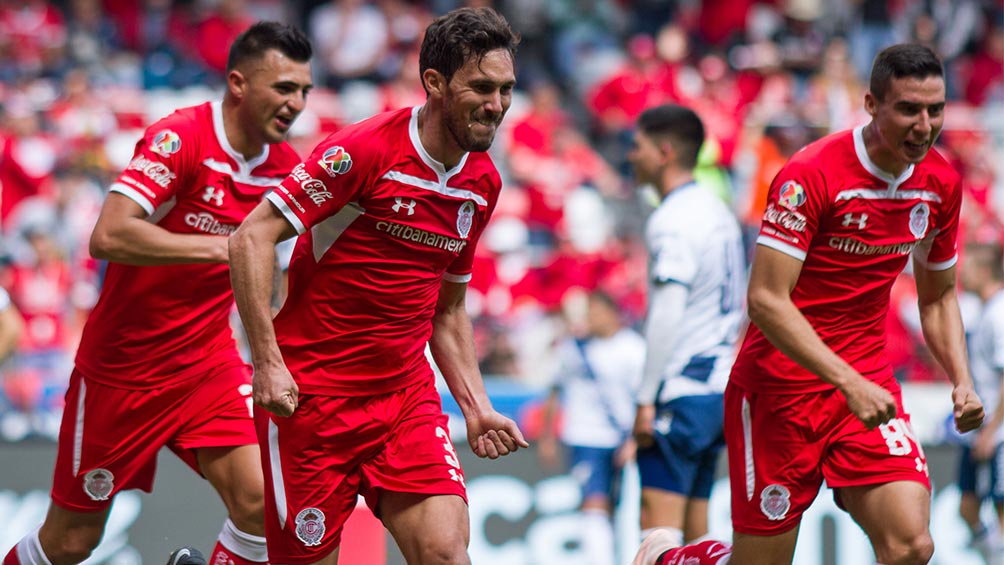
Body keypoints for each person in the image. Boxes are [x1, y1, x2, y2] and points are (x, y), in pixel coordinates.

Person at [633, 43, 986, 565]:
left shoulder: (940, 184)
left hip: (866, 387)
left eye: (935, 110)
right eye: (909, 109)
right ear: (871, 104)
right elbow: (766, 301)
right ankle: (674, 559)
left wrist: (961, 378)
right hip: (780, 390)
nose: (925, 125)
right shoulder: (812, 174)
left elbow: (938, 297)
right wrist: (848, 381)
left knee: (912, 545)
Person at [2, 21, 313, 565]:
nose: (297, 103)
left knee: (264, 502)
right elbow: (109, 234)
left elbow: (278, 271)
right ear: (239, 84)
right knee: (72, 542)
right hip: (121, 370)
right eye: (284, 88)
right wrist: (223, 249)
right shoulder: (182, 137)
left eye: (305, 91)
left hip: (207, 365)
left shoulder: (284, 168)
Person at [228, 7, 527, 565]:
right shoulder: (362, 151)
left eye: (506, 89)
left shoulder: (481, 182)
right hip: (312, 402)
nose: (497, 105)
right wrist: (266, 362)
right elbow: (250, 237)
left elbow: (448, 308)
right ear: (435, 84)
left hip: (404, 400)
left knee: (445, 554)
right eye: (482, 88)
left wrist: (476, 406)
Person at [627, 103, 746, 550]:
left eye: (636, 147)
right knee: (700, 541)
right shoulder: (718, 212)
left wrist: (644, 399)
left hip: (682, 388)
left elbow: (667, 313)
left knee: (657, 539)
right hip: (718, 390)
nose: (630, 156)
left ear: (663, 152)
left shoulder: (673, 220)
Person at [538, 290, 645, 565]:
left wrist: (635, 439)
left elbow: (646, 399)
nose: (590, 318)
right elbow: (554, 390)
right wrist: (547, 436)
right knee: (593, 505)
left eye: (595, 312)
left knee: (628, 509)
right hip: (585, 436)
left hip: (625, 439)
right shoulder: (572, 348)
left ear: (613, 313)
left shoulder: (633, 349)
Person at [957, 239, 1004, 564]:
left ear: (985, 271)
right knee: (967, 507)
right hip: (982, 429)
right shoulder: (985, 312)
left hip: (998, 433)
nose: (961, 273)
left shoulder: (999, 314)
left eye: (968, 266)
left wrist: (992, 431)